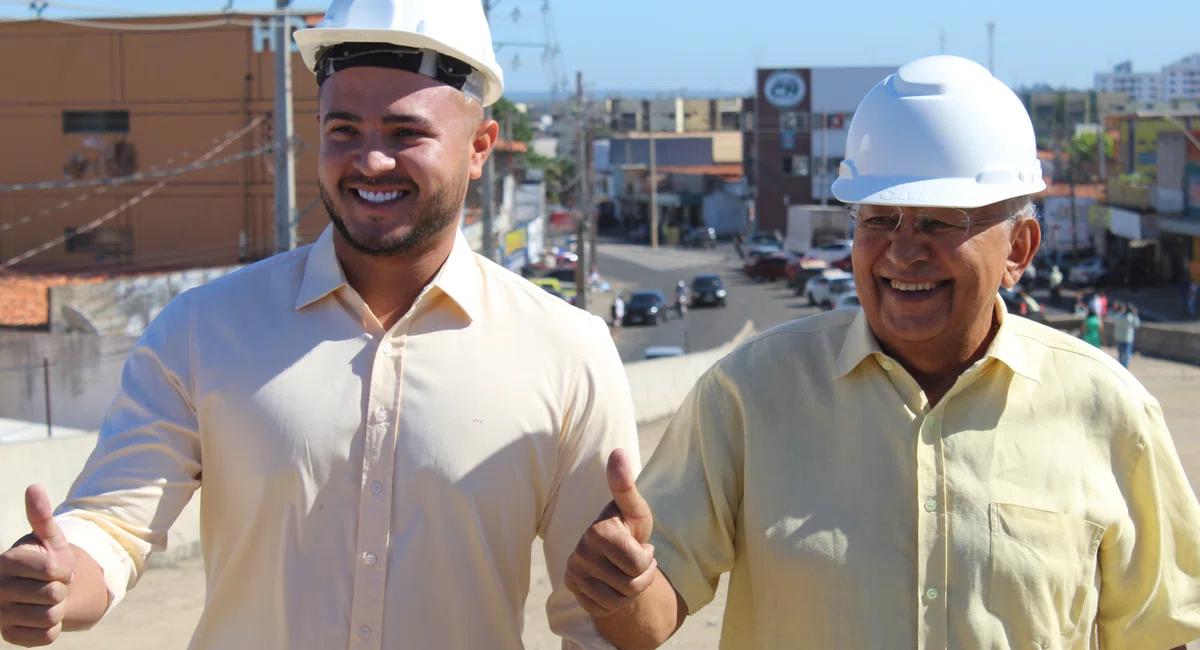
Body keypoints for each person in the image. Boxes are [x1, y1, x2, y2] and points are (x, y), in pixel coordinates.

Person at [0, 0, 640, 648]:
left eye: (403, 133)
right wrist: (55, 578)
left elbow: (597, 621)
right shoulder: (202, 331)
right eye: (343, 130)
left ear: (479, 148)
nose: (370, 161)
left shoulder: (566, 352)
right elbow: (112, 527)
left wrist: (635, 594)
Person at [564, 55, 1200, 649]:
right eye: (879, 219)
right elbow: (647, 616)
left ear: (1019, 249)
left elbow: (1162, 633)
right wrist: (622, 587)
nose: (902, 251)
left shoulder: (1110, 412)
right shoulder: (749, 394)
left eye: (939, 221)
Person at [1112, 302, 1142, 368]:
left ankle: (1120, 365)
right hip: (1128, 338)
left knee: (1120, 353)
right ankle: (1125, 366)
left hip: (1119, 337)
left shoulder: (1119, 316)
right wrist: (1135, 315)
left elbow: (1115, 318)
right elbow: (1138, 324)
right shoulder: (1131, 318)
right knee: (1127, 353)